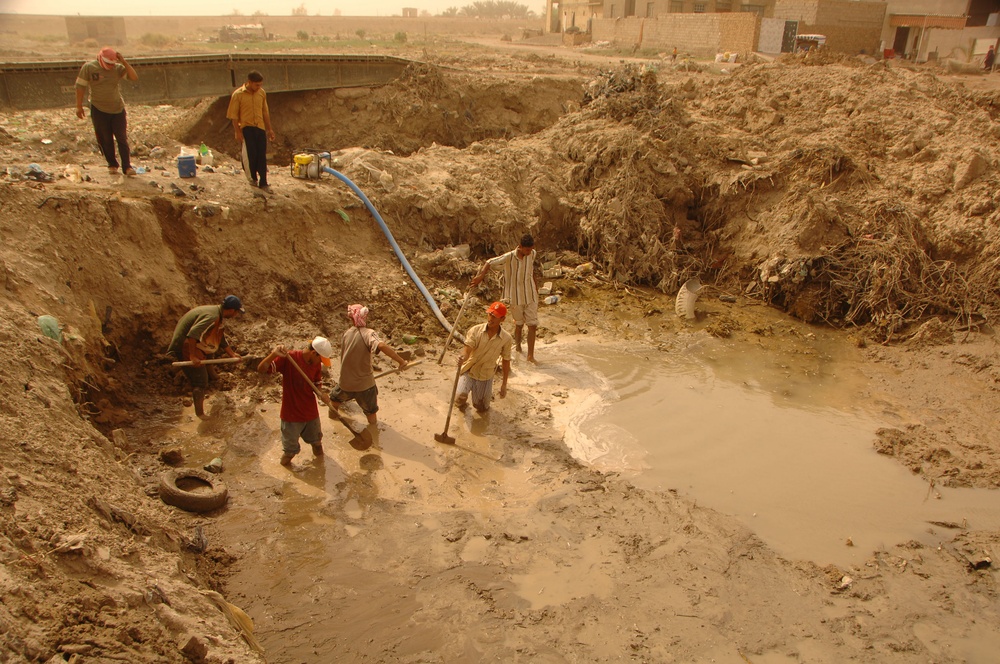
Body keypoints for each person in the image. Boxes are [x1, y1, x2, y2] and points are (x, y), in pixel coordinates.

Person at [257, 337, 334, 466]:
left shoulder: (315, 364)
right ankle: (284, 471)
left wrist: (321, 394)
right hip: (291, 415)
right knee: (289, 452)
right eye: (320, 359)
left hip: (310, 413)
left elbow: (316, 383)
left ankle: (321, 465)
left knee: (317, 444)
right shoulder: (289, 358)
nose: (320, 363)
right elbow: (261, 369)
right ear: (314, 353)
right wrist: (274, 354)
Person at [329, 304, 409, 427]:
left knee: (334, 401)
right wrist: (401, 361)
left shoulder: (346, 334)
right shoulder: (369, 333)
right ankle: (373, 432)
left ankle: (334, 423)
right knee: (371, 413)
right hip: (365, 386)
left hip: (345, 383)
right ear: (364, 317)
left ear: (351, 318)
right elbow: (381, 345)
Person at [166, 295, 245, 418]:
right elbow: (192, 334)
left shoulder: (217, 313)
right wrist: (193, 356)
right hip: (184, 344)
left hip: (192, 340)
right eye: (236, 312)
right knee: (201, 381)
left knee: (211, 349)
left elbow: (219, 336)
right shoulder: (212, 317)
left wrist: (232, 354)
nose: (236, 315)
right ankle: (200, 413)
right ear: (231, 310)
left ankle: (212, 376)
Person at [470, 233, 539, 363]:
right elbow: (489, 262)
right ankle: (518, 347)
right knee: (519, 324)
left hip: (531, 295)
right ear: (520, 247)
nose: (529, 252)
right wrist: (481, 276)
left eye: (531, 250)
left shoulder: (532, 254)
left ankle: (530, 356)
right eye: (527, 250)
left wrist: (536, 287)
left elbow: (531, 270)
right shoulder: (509, 257)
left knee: (532, 325)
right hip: (515, 297)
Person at [75, 46, 138, 176]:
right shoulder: (89, 67)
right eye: (108, 63)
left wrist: (124, 62)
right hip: (99, 108)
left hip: (117, 109)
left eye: (112, 63)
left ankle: (127, 167)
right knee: (105, 138)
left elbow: (133, 77)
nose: (110, 66)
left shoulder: (117, 68)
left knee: (121, 138)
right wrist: (79, 106)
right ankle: (112, 164)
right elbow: (80, 86)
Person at [454, 302, 513, 413]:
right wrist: (462, 358)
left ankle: (482, 402)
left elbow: (506, 361)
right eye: (490, 314)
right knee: (459, 397)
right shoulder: (475, 330)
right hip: (469, 370)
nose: (490, 318)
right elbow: (466, 350)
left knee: (482, 408)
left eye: (494, 316)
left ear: (502, 319)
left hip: (485, 375)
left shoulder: (506, 338)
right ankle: (462, 405)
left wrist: (504, 384)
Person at [226, 70, 276, 192]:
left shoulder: (261, 93)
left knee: (261, 155)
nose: (259, 87)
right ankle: (252, 178)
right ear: (249, 82)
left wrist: (269, 129)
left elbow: (265, 112)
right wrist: (237, 132)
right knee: (250, 155)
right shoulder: (238, 95)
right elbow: (234, 116)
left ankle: (263, 182)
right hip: (247, 128)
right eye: (257, 85)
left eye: (260, 85)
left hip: (260, 127)